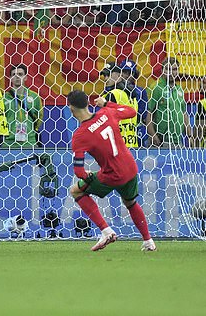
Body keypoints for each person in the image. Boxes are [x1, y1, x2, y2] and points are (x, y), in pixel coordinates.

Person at [67, 90, 156, 252]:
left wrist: (88, 177)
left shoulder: (80, 136)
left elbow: (79, 171)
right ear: (88, 103)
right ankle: (148, 241)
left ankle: (106, 231)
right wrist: (107, 104)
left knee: (75, 191)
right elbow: (132, 111)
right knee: (130, 202)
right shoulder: (107, 112)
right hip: (130, 168)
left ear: (71, 109)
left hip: (112, 175)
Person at [146, 57, 193, 147]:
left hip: (177, 142)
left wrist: (190, 136)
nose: (171, 72)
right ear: (162, 70)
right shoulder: (156, 88)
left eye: (174, 69)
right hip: (161, 141)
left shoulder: (179, 90)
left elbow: (184, 114)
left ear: (178, 71)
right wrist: (153, 136)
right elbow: (149, 114)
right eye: (168, 69)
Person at [3, 64, 43, 147]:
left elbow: (39, 117)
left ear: (26, 77)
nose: (17, 77)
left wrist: (32, 130)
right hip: (9, 143)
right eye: (14, 74)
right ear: (10, 78)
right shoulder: (4, 98)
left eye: (20, 74)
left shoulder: (34, 97)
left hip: (29, 142)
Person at [102, 63, 138, 148]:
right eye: (104, 76)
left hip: (117, 146)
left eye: (108, 75)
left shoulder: (113, 94)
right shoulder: (132, 96)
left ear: (119, 75)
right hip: (133, 143)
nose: (106, 79)